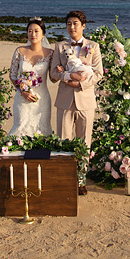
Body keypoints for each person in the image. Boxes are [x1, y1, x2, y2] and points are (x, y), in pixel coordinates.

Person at [0, 17, 53, 196]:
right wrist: (23, 89)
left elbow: (54, 77)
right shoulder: (19, 51)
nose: (33, 34)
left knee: (42, 132)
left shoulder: (50, 53)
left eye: (36, 31)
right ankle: (11, 177)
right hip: (22, 100)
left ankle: (38, 177)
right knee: (19, 130)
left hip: (42, 101)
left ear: (43, 34)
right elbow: (13, 75)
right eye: (30, 31)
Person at [49, 10, 103, 156]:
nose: (71, 27)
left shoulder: (93, 46)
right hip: (64, 100)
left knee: (84, 143)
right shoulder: (60, 46)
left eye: (75, 24)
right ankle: (64, 170)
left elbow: (98, 73)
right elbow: (53, 73)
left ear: (83, 25)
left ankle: (82, 170)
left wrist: (80, 84)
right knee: (63, 142)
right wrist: (68, 76)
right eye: (69, 24)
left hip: (85, 101)